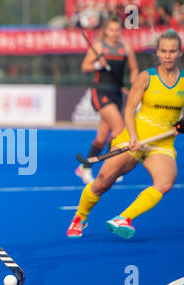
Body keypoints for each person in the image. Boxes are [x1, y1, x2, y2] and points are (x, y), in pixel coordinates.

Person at [67, 30, 184, 239]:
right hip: (134, 137)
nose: (168, 56)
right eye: (163, 51)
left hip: (162, 144)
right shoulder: (146, 77)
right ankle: (80, 218)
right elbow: (129, 109)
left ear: (180, 52)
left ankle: (123, 218)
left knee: (165, 183)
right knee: (102, 182)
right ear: (157, 52)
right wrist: (134, 137)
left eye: (172, 51)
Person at [75, 16, 138, 184]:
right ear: (106, 31)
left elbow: (133, 70)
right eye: (111, 30)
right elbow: (84, 67)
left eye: (118, 30)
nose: (115, 33)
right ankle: (109, 167)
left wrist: (133, 86)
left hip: (117, 94)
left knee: (101, 138)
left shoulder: (126, 49)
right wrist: (98, 64)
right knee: (119, 128)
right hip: (100, 92)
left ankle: (84, 166)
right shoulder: (98, 47)